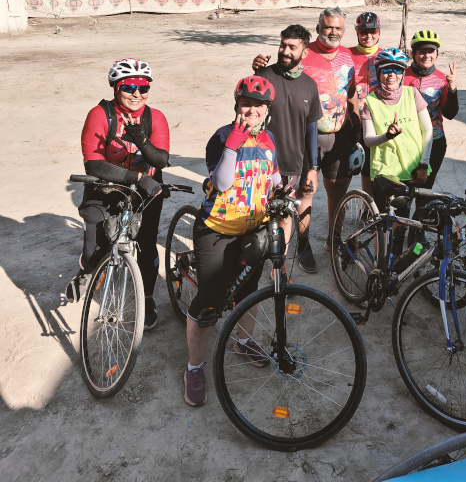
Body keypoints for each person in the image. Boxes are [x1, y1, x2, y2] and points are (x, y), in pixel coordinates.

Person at [184, 76, 281, 407]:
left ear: (267, 110)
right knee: (210, 300)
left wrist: (284, 190)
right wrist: (233, 145)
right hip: (216, 228)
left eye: (259, 105)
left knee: (247, 293)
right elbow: (223, 183)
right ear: (236, 105)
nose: (252, 109)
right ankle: (194, 368)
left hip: (252, 230)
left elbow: (275, 179)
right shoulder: (222, 137)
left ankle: (244, 340)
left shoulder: (269, 140)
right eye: (246, 103)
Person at [65, 58, 170, 331]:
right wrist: (137, 177)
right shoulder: (99, 115)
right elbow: (94, 164)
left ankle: (146, 299)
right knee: (96, 249)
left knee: (147, 246)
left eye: (143, 87)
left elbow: (160, 161)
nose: (137, 93)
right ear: (116, 88)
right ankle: (87, 270)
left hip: (145, 192)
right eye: (130, 87)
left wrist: (141, 140)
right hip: (105, 187)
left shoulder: (154, 117)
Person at [251, 24, 322, 266]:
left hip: (294, 163)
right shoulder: (263, 76)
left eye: (292, 47)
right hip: (263, 163)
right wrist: (253, 75)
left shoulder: (310, 86)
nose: (285, 51)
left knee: (291, 212)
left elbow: (311, 129)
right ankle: (267, 262)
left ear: (304, 52)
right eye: (283, 45)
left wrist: (313, 167)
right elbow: (246, 114)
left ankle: (292, 256)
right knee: (263, 215)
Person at [297, 6, 361, 272]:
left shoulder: (347, 55)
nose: (333, 32)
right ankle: (303, 246)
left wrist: (356, 129)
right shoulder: (304, 53)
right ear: (318, 27)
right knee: (306, 193)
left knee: (337, 191)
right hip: (309, 135)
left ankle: (333, 241)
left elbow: (352, 93)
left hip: (339, 136)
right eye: (328, 27)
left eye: (338, 28)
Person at [361, 48, 433, 212]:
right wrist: (387, 136)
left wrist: (423, 164)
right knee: (383, 220)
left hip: (413, 168)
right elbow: (368, 140)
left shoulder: (412, 93)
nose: (392, 74)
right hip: (384, 170)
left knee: (403, 219)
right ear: (379, 73)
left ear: (402, 73)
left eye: (397, 70)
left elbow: (427, 130)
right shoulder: (370, 102)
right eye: (386, 69)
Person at [404, 29, 459, 188]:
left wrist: (452, 88)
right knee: (404, 195)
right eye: (422, 51)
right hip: (407, 143)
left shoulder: (442, 79)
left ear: (437, 53)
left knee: (425, 193)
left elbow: (450, 114)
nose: (427, 56)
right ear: (413, 53)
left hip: (434, 142)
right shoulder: (401, 76)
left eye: (431, 51)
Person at [349, 11, 382, 195]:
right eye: (363, 32)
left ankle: (369, 208)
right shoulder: (346, 55)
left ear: (379, 32)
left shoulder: (386, 56)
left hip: (376, 120)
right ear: (356, 32)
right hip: (351, 119)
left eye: (372, 31)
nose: (368, 36)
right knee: (348, 167)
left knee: (372, 165)